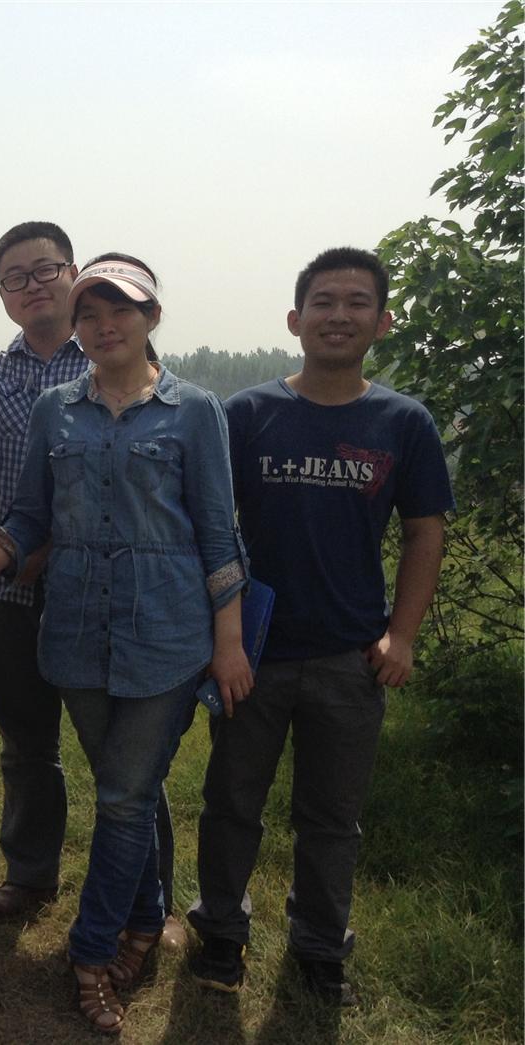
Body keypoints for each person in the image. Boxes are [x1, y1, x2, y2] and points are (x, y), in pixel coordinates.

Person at [0, 226, 185, 946]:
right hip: (11, 585)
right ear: (3, 295)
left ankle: (153, 900)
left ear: (73, 274)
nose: (33, 285)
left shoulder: (112, 351)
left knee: (125, 758)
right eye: (15, 277)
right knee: (26, 744)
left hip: (99, 591)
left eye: (45, 269)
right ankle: (31, 871)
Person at [0, 254, 252, 1035]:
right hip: (75, 631)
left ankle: (92, 948)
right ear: (76, 327)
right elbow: (31, 513)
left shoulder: (195, 410)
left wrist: (230, 640)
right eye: (90, 314)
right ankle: (144, 918)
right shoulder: (55, 410)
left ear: (151, 317)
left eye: (122, 311)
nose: (105, 326)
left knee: (123, 795)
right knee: (122, 788)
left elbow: (220, 532)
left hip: (168, 633)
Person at [187, 247, 452, 1006]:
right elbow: (210, 528)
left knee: (332, 817)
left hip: (351, 655)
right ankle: (222, 931)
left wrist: (402, 635)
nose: (339, 315)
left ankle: (318, 944)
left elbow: (425, 532)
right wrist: (219, 638)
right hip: (252, 651)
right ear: (295, 319)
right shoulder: (248, 415)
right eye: (324, 302)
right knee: (231, 802)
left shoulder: (403, 422)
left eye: (357, 302)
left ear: (383, 321)